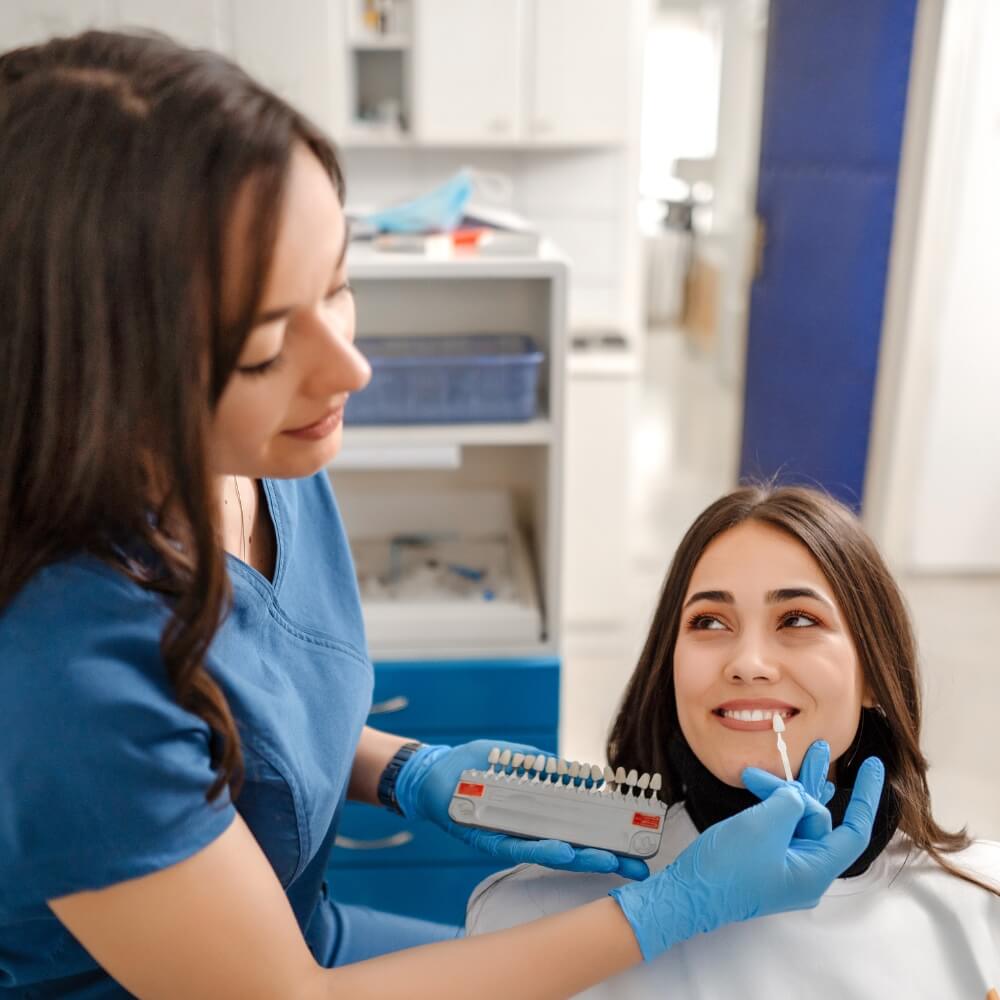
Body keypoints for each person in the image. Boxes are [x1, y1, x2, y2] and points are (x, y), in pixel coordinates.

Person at [0, 31, 884, 999]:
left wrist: (415, 772)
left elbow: (245, 726)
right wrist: (672, 908)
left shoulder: (260, 452)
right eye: (261, 350)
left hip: (307, 933)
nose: (349, 369)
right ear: (101, 381)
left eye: (336, 285)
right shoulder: (63, 675)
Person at [467, 485, 1000, 997]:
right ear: (669, 665)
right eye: (709, 621)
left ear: (874, 676)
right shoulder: (529, 913)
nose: (747, 664)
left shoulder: (984, 909)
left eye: (796, 618)